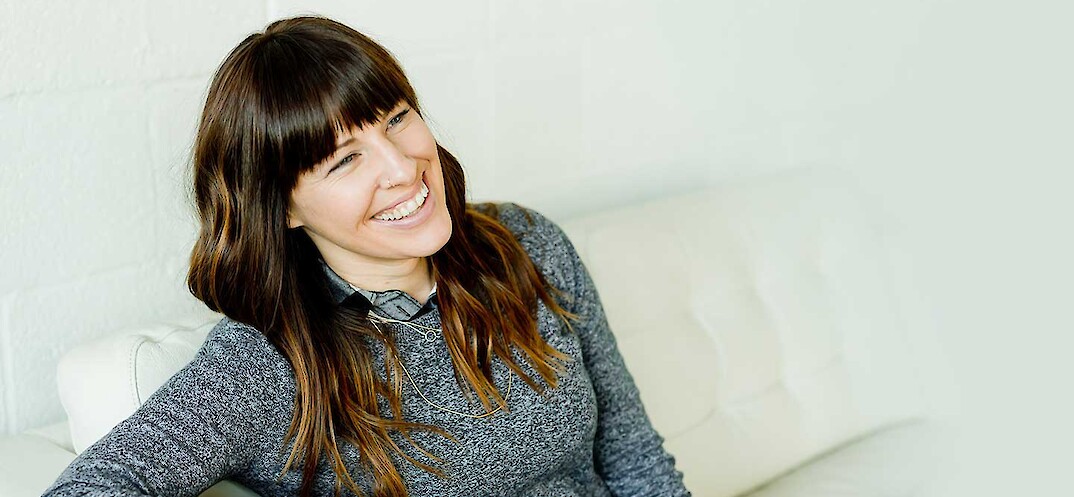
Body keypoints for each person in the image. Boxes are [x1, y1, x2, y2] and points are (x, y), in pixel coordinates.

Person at [42, 15, 690, 497]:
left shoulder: (526, 244)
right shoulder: (269, 362)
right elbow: (100, 483)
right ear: (282, 207)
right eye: (345, 160)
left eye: (397, 119)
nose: (404, 167)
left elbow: (634, 455)